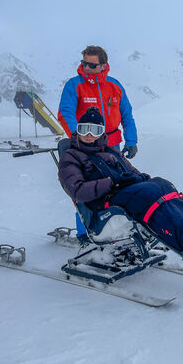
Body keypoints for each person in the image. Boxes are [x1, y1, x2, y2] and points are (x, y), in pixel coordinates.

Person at [57, 107, 183, 261]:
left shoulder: (111, 151)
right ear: (77, 131)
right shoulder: (71, 156)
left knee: (161, 185)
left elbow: (132, 171)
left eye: (94, 130)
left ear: (102, 133)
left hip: (120, 193)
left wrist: (140, 178)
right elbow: (78, 191)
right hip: (101, 205)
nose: (89, 135)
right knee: (147, 194)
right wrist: (112, 182)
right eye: (84, 129)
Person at [58, 45, 138, 243]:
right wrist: (78, 137)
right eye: (83, 62)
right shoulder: (75, 85)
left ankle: (116, 228)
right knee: (86, 191)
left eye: (91, 64)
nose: (85, 67)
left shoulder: (114, 85)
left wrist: (132, 140)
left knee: (118, 186)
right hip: (86, 146)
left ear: (103, 65)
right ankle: (85, 233)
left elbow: (126, 114)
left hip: (112, 145)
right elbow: (65, 112)